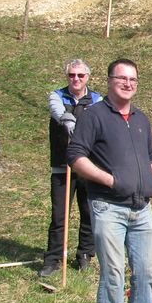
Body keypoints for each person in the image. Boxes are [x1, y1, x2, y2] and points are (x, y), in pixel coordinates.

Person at [68, 59, 152, 303]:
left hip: (141, 208)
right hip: (108, 207)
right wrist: (110, 180)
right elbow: (76, 157)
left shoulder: (140, 118)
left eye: (133, 79)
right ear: (109, 81)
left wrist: (151, 177)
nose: (128, 84)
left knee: (147, 273)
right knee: (113, 272)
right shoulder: (94, 116)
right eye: (122, 78)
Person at [39, 59, 102, 278]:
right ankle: (53, 258)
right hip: (62, 165)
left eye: (80, 75)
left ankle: (85, 254)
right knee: (59, 215)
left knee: (88, 212)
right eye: (72, 75)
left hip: (88, 166)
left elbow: (97, 121)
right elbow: (57, 112)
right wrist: (67, 120)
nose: (76, 79)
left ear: (87, 77)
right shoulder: (57, 96)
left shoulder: (96, 100)